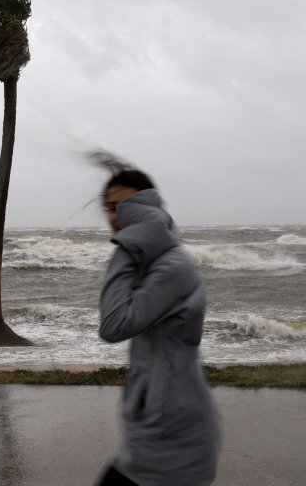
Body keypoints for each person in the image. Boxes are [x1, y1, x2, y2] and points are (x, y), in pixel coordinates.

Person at [95, 166, 220, 486]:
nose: (115, 217)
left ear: (146, 211)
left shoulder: (171, 267)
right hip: (153, 428)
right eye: (109, 207)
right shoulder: (151, 262)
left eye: (125, 207)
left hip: (175, 435)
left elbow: (113, 325)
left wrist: (129, 243)